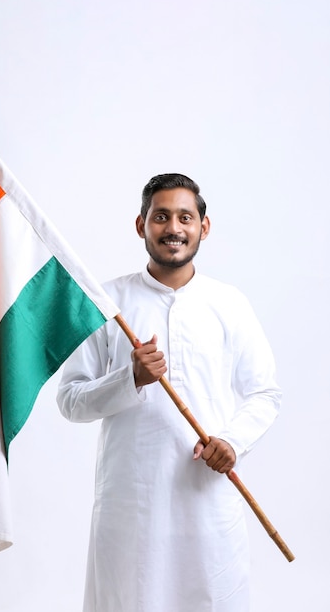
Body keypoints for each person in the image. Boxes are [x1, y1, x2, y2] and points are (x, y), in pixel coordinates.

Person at [57, 173, 281, 612]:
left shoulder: (229, 303)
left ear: (204, 226)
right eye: (161, 217)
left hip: (209, 502)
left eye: (185, 217)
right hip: (131, 506)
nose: (173, 228)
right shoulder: (106, 302)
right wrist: (130, 379)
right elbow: (71, 400)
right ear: (140, 225)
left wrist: (232, 443)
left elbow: (264, 393)